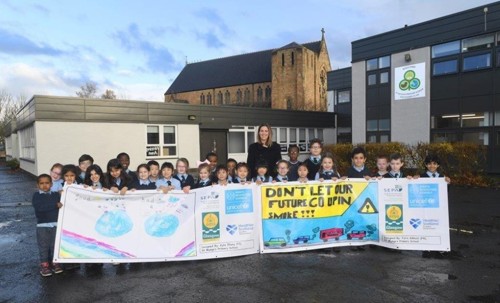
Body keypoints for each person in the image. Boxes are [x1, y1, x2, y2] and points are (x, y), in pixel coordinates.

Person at [32, 174, 63, 277]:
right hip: (42, 226)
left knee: (55, 245)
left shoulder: (55, 195)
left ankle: (55, 263)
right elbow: (40, 208)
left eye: (47, 183)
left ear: (51, 184)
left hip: (55, 225)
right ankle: (45, 265)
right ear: (37, 185)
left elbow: (62, 205)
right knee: (44, 246)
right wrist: (55, 205)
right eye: (42, 183)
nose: (44, 185)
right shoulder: (36, 196)